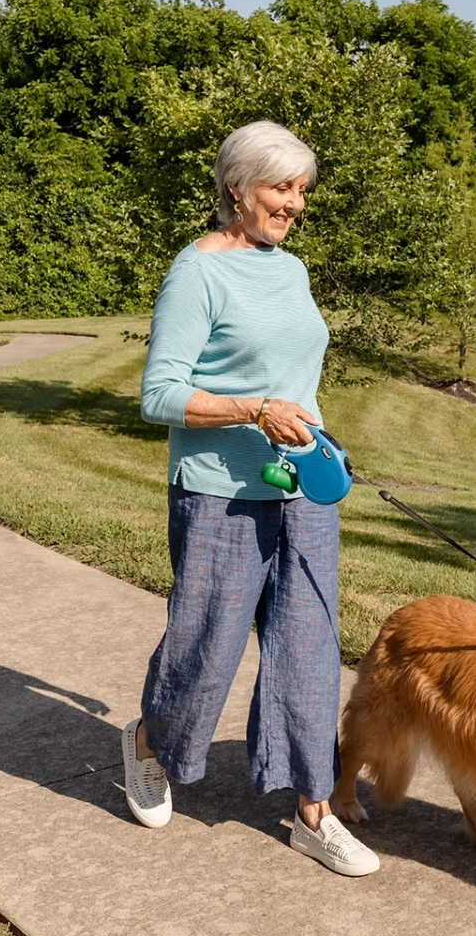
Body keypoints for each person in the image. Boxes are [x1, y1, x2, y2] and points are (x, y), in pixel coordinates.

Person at [125, 120, 380, 877]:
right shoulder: (198, 272)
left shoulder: (291, 269)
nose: (294, 203)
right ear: (237, 187)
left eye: (301, 190)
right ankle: (148, 743)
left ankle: (313, 808)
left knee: (309, 651)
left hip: (301, 487)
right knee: (206, 650)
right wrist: (253, 409)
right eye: (280, 188)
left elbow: (296, 370)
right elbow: (159, 394)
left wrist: (313, 440)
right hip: (219, 495)